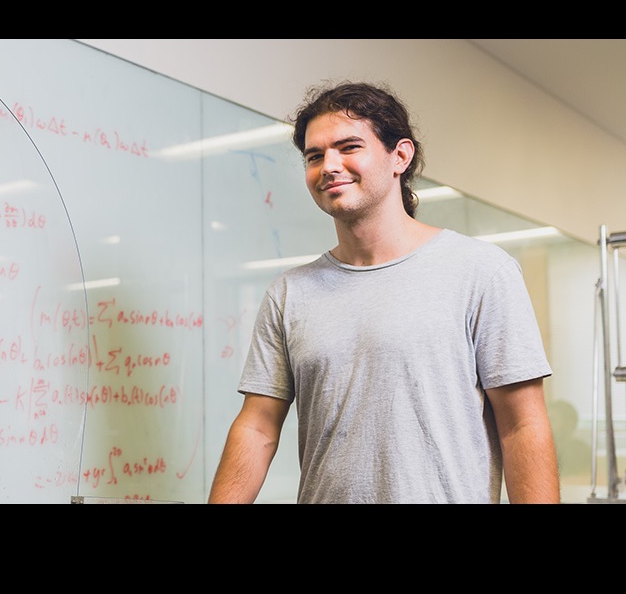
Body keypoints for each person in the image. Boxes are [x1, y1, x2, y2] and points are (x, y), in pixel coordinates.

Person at [208, 81, 560, 504]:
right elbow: (257, 427)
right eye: (314, 156)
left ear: (400, 156)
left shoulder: (482, 271)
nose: (329, 166)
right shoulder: (288, 294)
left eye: (349, 147)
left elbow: (522, 425)